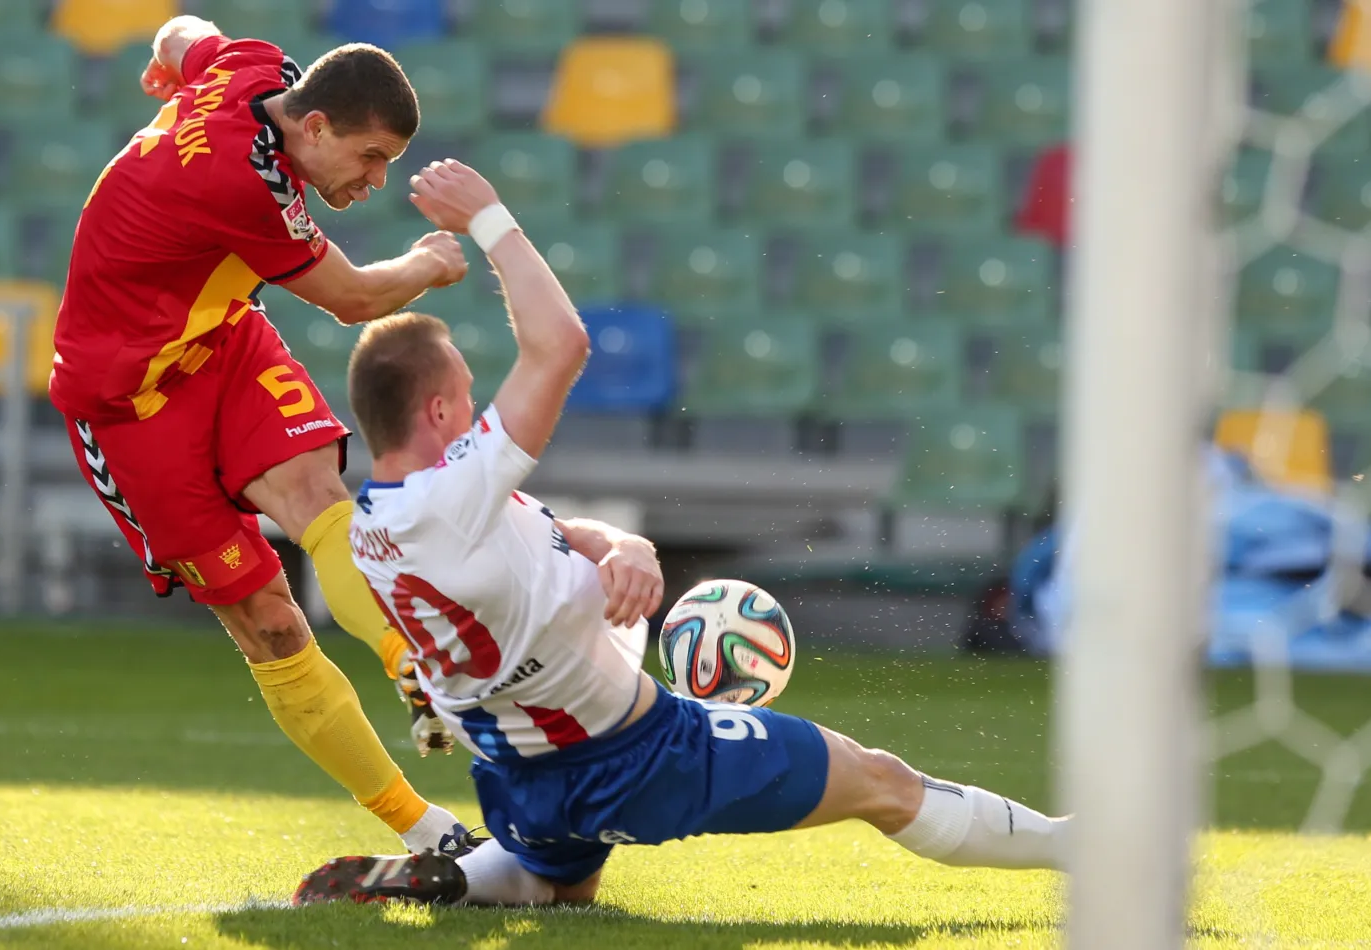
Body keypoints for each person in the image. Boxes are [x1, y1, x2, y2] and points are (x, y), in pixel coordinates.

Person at [290, 160, 1071, 908]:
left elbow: (550, 535)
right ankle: (1080, 850)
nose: (476, 409)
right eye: (465, 393)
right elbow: (560, 344)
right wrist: (490, 221)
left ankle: (466, 879)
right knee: (882, 782)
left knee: (563, 887)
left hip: (521, 778)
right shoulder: (456, 493)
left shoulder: (379, 526)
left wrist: (625, 547)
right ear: (436, 413)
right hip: (637, 753)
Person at [50, 15, 473, 856]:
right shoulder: (241, 183)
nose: (376, 179)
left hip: (221, 340)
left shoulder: (254, 66)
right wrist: (431, 262)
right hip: (125, 402)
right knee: (270, 623)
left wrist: (164, 59)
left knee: (318, 496)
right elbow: (353, 298)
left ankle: (414, 666)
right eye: (369, 157)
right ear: (314, 127)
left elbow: (185, 29)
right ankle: (423, 829)